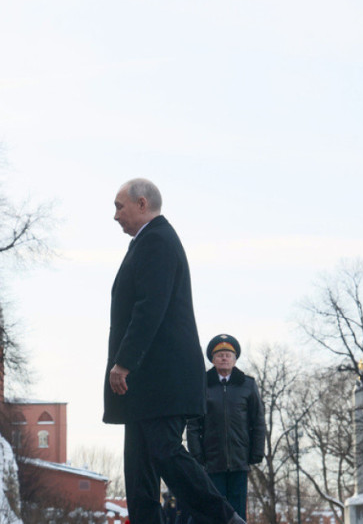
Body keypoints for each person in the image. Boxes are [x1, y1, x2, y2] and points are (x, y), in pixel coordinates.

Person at [103, 178, 245, 524]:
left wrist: (124, 362)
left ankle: (224, 518)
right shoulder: (146, 242)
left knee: (165, 453)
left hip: (161, 379)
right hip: (145, 383)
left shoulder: (157, 241)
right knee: (139, 475)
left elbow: (150, 308)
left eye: (119, 206)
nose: (115, 215)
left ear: (141, 204)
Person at [186, 335, 266, 521]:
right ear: (213, 360)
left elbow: (258, 421)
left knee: (237, 509)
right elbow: (193, 424)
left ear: (235, 359)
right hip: (212, 461)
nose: (224, 358)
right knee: (214, 509)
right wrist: (197, 456)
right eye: (220, 355)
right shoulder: (202, 385)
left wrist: (256, 453)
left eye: (228, 355)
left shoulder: (248, 385)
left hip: (240, 460)